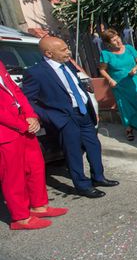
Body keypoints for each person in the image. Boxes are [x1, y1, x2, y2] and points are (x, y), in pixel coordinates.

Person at [22, 37, 119, 199]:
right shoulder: (36, 72)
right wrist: (50, 116)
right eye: (63, 50)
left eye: (67, 48)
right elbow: (28, 100)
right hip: (64, 118)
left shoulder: (67, 66)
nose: (68, 51)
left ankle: (98, 177)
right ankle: (82, 185)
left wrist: (88, 107)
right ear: (49, 53)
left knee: (93, 146)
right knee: (73, 152)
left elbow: (77, 89)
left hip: (83, 113)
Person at [0, 60, 68, 230]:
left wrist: (31, 115)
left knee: (36, 166)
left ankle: (39, 206)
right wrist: (22, 124)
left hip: (22, 123)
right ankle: (20, 217)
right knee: (13, 175)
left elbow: (16, 90)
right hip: (6, 131)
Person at [98, 28, 137, 141]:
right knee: (125, 107)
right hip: (119, 85)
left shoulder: (129, 48)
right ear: (108, 43)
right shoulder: (106, 54)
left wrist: (135, 68)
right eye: (114, 40)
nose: (118, 41)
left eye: (118, 37)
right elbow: (102, 70)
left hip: (135, 82)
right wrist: (110, 79)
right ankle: (128, 128)